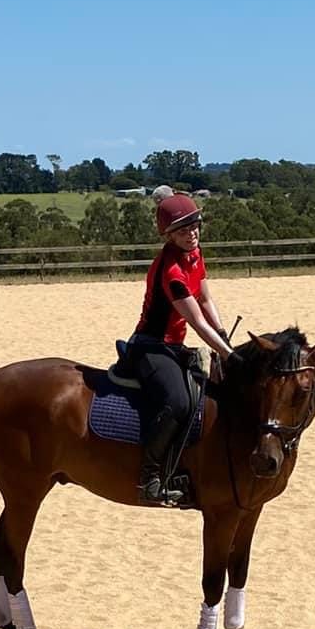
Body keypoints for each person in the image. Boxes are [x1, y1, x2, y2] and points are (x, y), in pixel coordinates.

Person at [126, 192, 234, 504]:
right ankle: (150, 478)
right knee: (177, 401)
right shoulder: (171, 271)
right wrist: (229, 354)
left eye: (195, 226)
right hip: (150, 347)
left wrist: (224, 335)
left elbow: (205, 300)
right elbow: (198, 321)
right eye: (184, 230)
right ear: (170, 236)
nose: (192, 234)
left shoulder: (195, 255)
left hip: (174, 346)